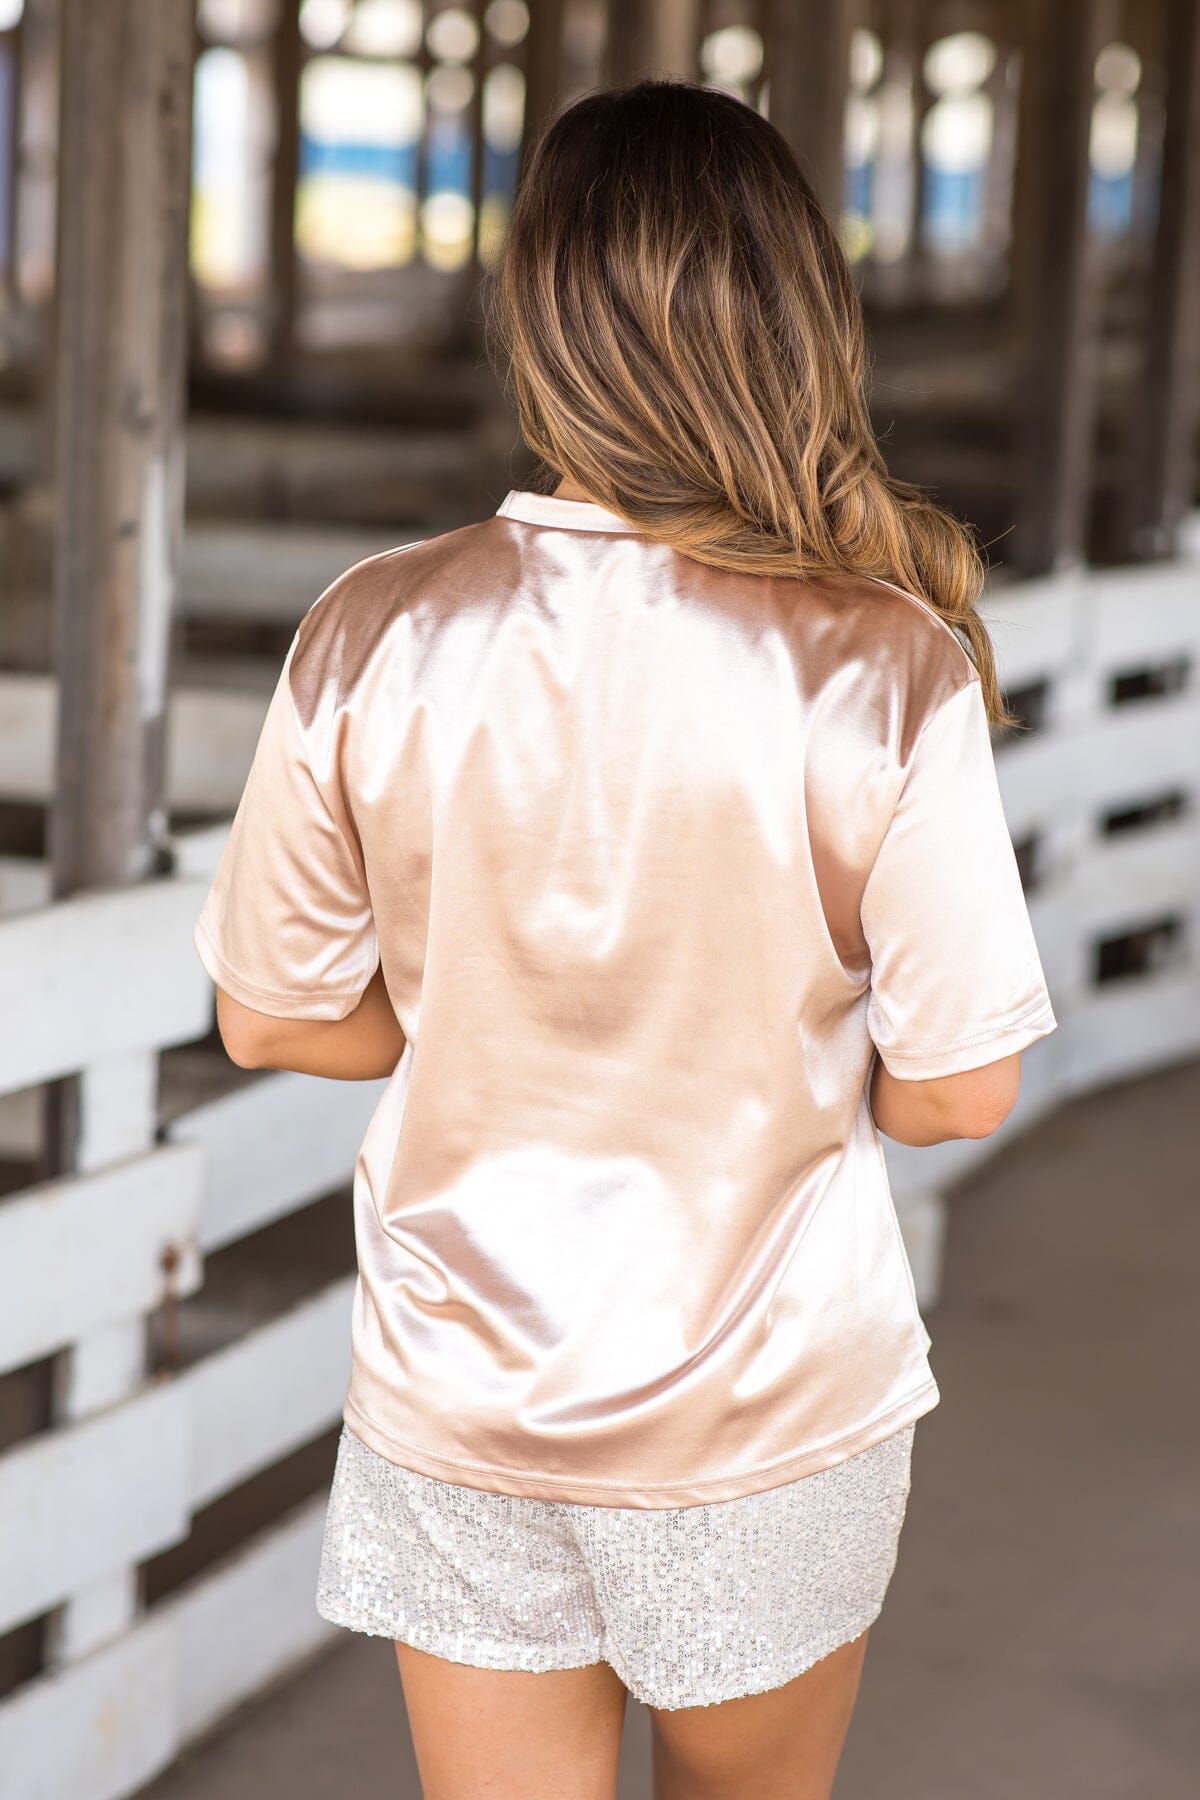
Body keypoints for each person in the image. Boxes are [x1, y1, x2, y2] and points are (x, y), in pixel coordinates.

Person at [192, 78, 1056, 1800]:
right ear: (798, 319)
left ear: (539, 321)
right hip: (761, 1413)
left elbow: (270, 1018)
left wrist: (491, 1024)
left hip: (463, 1397)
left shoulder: (372, 630)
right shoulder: (883, 662)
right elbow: (959, 1093)